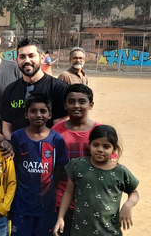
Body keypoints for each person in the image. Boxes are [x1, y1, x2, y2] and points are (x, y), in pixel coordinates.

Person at [53, 125, 140, 236]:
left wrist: (128, 205)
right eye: (95, 145)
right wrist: (61, 217)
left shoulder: (120, 172)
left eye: (106, 146)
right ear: (89, 144)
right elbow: (68, 192)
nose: (100, 149)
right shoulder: (77, 165)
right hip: (80, 231)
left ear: (114, 149)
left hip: (109, 232)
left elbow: (134, 192)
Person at [10, 94, 68, 236]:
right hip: (21, 205)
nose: (38, 115)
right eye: (33, 111)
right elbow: (13, 167)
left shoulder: (56, 139)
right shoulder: (17, 137)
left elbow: (60, 169)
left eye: (43, 111)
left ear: (50, 115)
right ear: (26, 114)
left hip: (46, 205)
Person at [52, 84, 100, 236]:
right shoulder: (56, 131)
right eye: (71, 101)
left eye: (82, 101)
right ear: (65, 105)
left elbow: (108, 166)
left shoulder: (99, 132)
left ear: (90, 105)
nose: (76, 105)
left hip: (90, 199)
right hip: (62, 199)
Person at [0, 38, 68, 140]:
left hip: (47, 151)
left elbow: (60, 128)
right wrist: (16, 145)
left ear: (42, 58)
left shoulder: (58, 88)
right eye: (22, 57)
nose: (27, 60)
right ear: (17, 60)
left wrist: (41, 147)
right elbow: (6, 128)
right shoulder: (10, 90)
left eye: (31, 56)